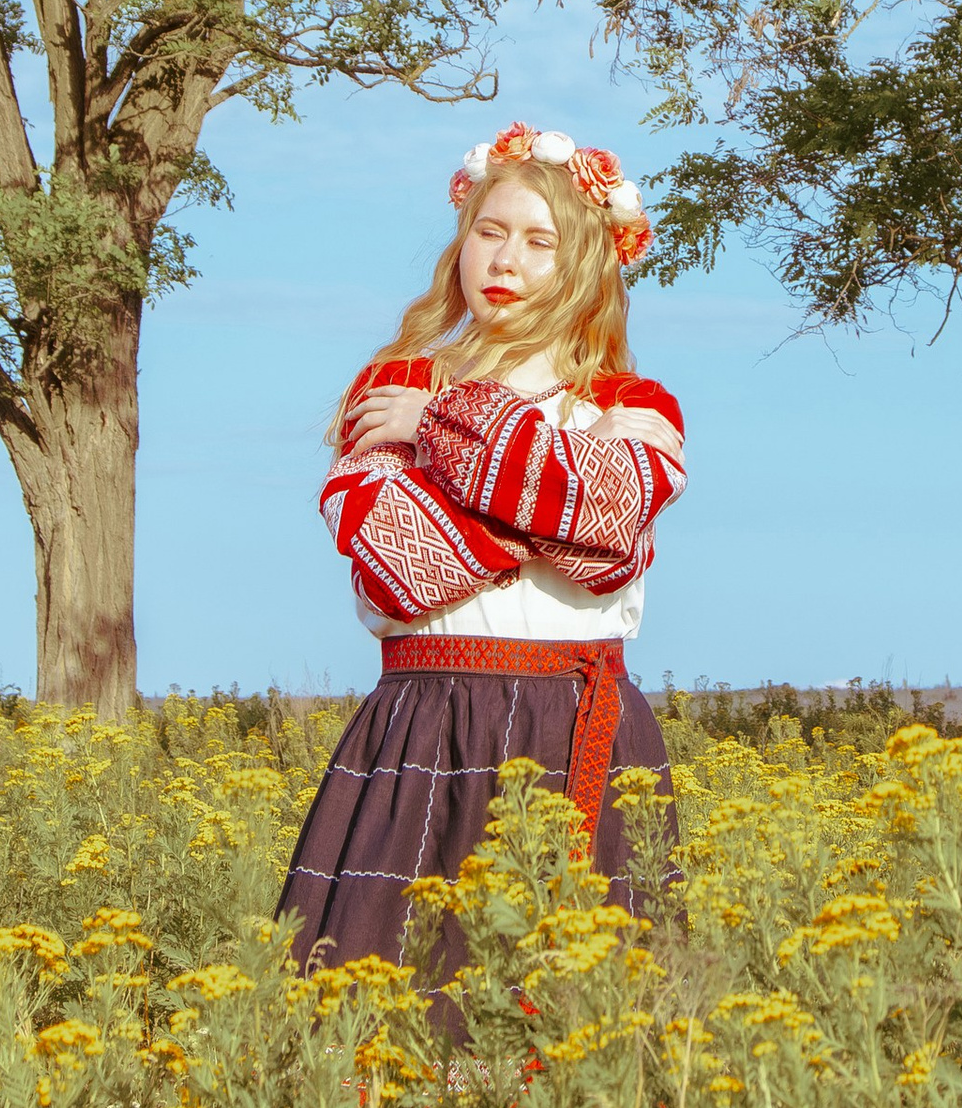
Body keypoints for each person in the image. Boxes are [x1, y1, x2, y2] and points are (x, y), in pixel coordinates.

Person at [278, 120, 685, 982]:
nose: (506, 261)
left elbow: (613, 539)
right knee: (387, 999)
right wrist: (555, 504)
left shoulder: (634, 402)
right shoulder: (396, 383)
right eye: (490, 233)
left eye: (541, 242)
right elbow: (393, 567)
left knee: (580, 1019)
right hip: (425, 721)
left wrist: (440, 440)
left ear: (587, 264)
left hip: (577, 720)